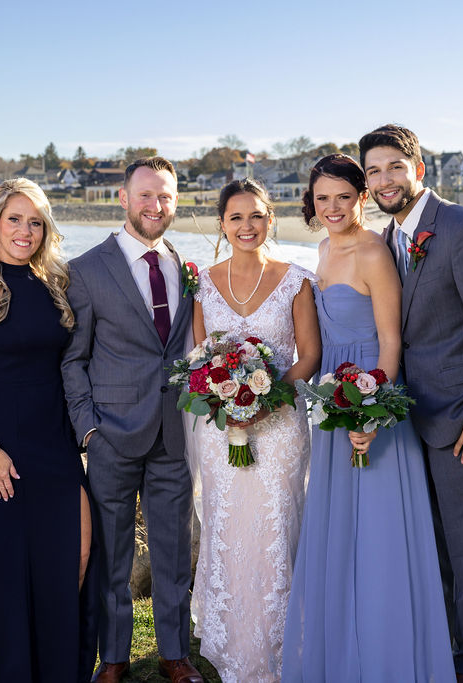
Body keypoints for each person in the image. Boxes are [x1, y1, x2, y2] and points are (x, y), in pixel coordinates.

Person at [281, 154, 456, 682]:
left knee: (378, 531)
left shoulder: (374, 252)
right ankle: (341, 648)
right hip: (333, 402)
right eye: (322, 198)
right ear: (311, 204)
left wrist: (370, 411)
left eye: (342, 196)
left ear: (360, 197)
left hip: (369, 401)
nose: (332, 207)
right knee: (341, 527)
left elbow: (390, 341)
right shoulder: (322, 249)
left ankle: (384, 655)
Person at [360, 125, 463, 682]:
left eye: (394, 168)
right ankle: (450, 651)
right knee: (437, 551)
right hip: (412, 423)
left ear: (418, 170)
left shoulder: (459, 229)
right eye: (374, 171)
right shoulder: (388, 240)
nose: (384, 180)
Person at [61, 157, 203, 683]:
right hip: (111, 437)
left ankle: (174, 654)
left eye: (165, 197)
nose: (155, 206)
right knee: (112, 556)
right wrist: (88, 430)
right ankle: (113, 658)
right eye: (145, 195)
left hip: (172, 434)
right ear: (123, 198)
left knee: (173, 553)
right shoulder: (87, 270)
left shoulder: (183, 267)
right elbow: (72, 359)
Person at [0, 179, 97, 682]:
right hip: (2, 440)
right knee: (8, 572)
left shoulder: (53, 284)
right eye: (15, 219)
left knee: (71, 557)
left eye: (35, 222)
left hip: (54, 438)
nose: (25, 231)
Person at [188, 178, 320, 683]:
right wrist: (230, 401)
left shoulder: (296, 281)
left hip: (281, 427)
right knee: (225, 528)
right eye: (236, 217)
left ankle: (286, 646)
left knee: (275, 529)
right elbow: (201, 360)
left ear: (271, 220)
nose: (247, 226)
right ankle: (230, 648)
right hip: (221, 432)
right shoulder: (202, 282)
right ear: (222, 224)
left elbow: (308, 355)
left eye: (256, 216)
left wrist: (266, 399)